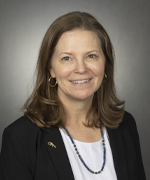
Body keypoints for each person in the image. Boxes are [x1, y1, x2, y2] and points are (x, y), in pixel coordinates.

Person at [0, 11, 146, 180]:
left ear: (105, 64)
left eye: (91, 56)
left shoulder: (125, 125)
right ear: (51, 69)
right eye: (67, 58)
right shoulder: (20, 138)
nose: (81, 68)